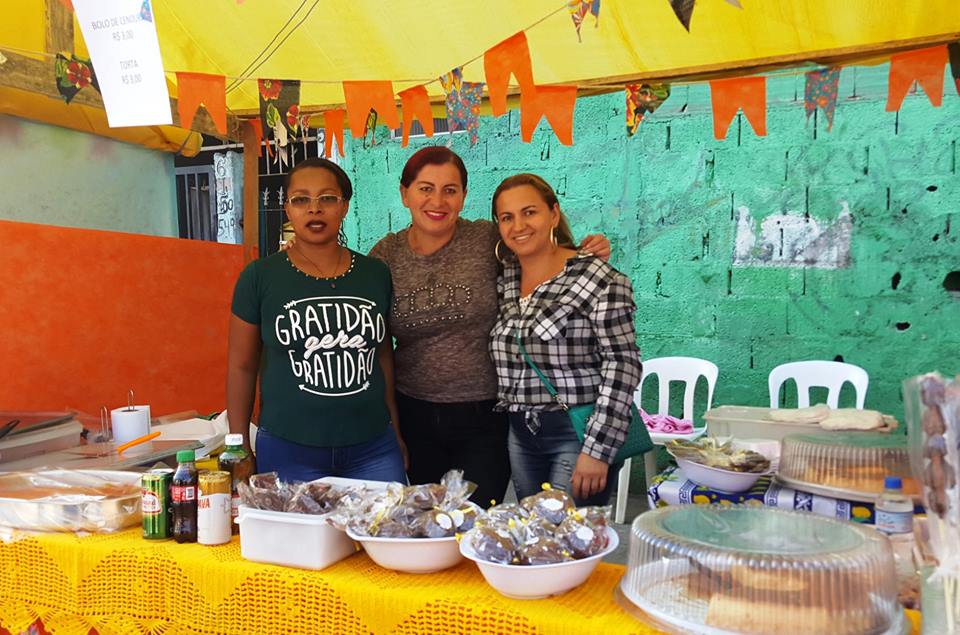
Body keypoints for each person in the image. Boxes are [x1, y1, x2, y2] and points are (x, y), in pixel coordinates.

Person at [369, 146, 610, 506]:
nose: (438, 200)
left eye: (450, 189)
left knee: (475, 520)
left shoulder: (487, 241)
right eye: (425, 188)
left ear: (464, 196)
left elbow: (539, 252)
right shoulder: (384, 256)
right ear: (405, 194)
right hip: (414, 414)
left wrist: (581, 253)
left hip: (487, 417)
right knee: (430, 522)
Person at [226, 158, 407, 484]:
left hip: (373, 447)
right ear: (287, 208)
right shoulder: (259, 277)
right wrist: (238, 447)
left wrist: (395, 430)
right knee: (296, 536)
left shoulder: (375, 273)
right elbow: (241, 366)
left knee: (379, 532)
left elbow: (382, 355)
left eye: (327, 198)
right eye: (301, 199)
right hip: (288, 449)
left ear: (344, 206)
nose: (314, 209)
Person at [488, 173, 642, 506]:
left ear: (554, 214)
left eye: (530, 212)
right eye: (507, 217)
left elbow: (623, 366)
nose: (519, 226)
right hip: (521, 433)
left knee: (568, 539)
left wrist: (597, 450)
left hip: (576, 430)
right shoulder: (507, 279)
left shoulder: (598, 278)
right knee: (537, 539)